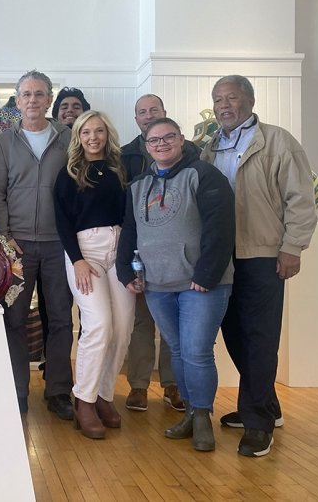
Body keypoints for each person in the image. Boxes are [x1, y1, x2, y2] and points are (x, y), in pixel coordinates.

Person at [201, 75, 317, 457]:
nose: (223, 105)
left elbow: (301, 199)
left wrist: (292, 247)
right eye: (218, 99)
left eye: (231, 98)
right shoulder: (210, 147)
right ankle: (265, 404)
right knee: (233, 332)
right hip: (223, 255)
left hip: (263, 254)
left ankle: (258, 423)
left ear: (249, 100)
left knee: (260, 336)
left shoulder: (278, 142)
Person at [118, 118, 236, 451]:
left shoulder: (204, 175)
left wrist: (206, 274)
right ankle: (188, 412)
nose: (161, 144)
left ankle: (202, 417)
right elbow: (130, 231)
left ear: (181, 139)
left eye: (168, 137)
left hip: (201, 284)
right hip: (157, 285)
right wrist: (126, 272)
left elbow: (221, 227)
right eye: (154, 140)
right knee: (180, 351)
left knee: (197, 352)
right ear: (146, 146)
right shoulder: (138, 185)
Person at [0, 70, 74, 419]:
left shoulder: (68, 137)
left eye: (39, 94)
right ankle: (16, 390)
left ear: (49, 98)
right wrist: (6, 237)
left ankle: (58, 392)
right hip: (18, 245)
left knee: (60, 319)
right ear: (17, 100)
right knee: (14, 319)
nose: (33, 101)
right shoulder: (5, 142)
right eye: (26, 95)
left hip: (58, 244)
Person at [53, 110, 135, 439]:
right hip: (85, 252)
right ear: (78, 136)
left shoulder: (119, 169)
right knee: (98, 324)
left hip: (120, 250)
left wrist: (131, 259)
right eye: (86, 132)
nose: (93, 137)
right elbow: (62, 221)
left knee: (123, 328)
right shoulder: (68, 174)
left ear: (107, 134)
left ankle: (104, 395)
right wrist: (77, 260)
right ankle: (83, 401)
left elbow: (130, 216)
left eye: (98, 131)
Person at [120, 94, 187, 413]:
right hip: (141, 254)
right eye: (142, 112)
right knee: (142, 322)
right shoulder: (124, 156)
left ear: (164, 113)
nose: (148, 116)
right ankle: (138, 385)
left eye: (154, 110)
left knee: (174, 326)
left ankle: (173, 384)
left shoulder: (190, 157)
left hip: (179, 255)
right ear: (136, 121)